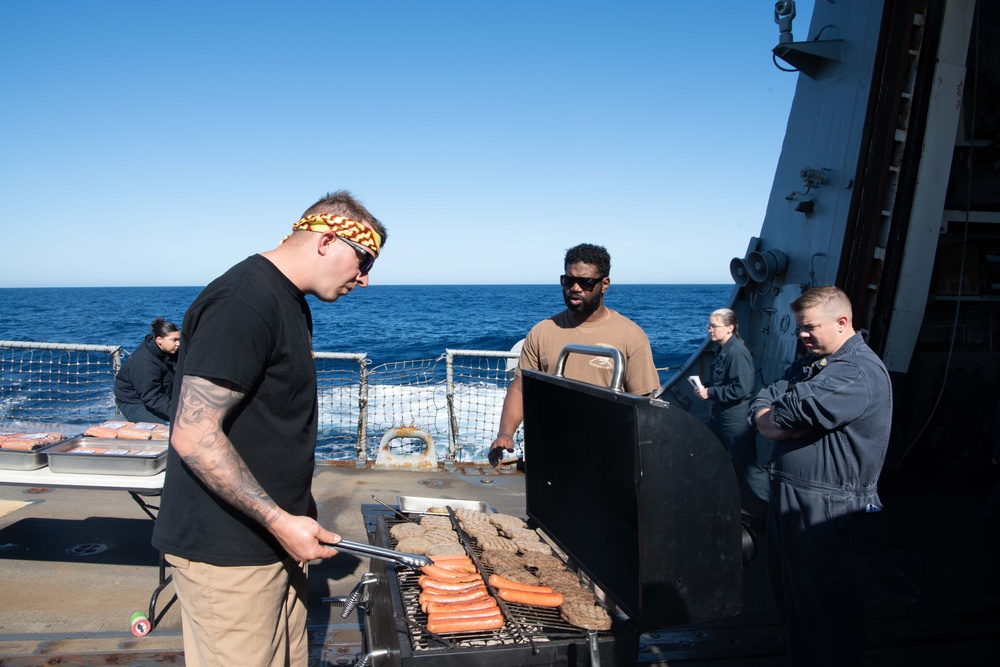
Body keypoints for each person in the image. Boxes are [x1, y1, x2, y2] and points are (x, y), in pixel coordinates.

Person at [151, 191, 387, 667]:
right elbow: (193, 433)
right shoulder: (243, 302)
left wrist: (298, 509)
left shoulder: (289, 301)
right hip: (229, 552)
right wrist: (281, 520)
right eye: (363, 261)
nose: (363, 280)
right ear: (326, 241)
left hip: (274, 541)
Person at [749, 286, 892, 666]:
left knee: (825, 616)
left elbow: (782, 415)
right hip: (797, 500)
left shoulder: (854, 374)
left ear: (842, 322)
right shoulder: (815, 365)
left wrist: (773, 419)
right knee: (794, 604)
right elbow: (769, 395)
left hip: (829, 510)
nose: (802, 336)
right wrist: (771, 417)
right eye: (799, 328)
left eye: (810, 328)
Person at [489, 243, 660, 465]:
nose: (576, 287)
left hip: (608, 457)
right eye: (569, 280)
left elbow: (643, 404)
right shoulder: (542, 331)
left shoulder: (631, 336)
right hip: (549, 452)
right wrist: (505, 433)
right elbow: (521, 387)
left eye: (586, 282)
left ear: (604, 283)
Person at [695, 308, 769, 518]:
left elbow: (742, 388)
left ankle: (770, 510)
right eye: (709, 326)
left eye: (714, 326)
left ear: (730, 327)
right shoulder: (724, 349)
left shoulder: (736, 352)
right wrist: (707, 387)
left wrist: (711, 392)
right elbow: (725, 382)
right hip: (720, 417)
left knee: (748, 466)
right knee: (707, 450)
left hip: (734, 419)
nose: (710, 330)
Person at [113, 317, 180, 424]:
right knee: (164, 429)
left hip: (162, 396)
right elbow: (151, 397)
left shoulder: (171, 351)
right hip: (134, 402)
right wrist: (179, 414)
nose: (178, 344)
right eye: (174, 340)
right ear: (159, 340)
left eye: (179, 339)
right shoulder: (144, 362)